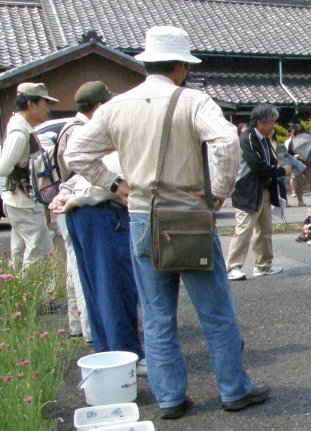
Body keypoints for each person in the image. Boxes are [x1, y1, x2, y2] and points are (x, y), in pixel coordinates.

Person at [65, 26, 267, 419]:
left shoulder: (116, 106)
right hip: (189, 216)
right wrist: (218, 191)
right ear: (180, 67)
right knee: (215, 312)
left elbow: (76, 153)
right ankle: (233, 390)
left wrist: (115, 185)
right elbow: (226, 142)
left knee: (157, 317)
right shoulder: (193, 100)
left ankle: (170, 398)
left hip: (142, 216)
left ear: (147, 63)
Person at [52, 81, 146, 365]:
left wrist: (67, 193)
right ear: (102, 106)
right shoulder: (108, 131)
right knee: (114, 289)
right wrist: (77, 196)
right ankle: (126, 356)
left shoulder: (77, 129)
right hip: (101, 214)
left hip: (81, 213)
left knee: (96, 290)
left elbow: (79, 173)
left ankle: (107, 355)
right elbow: (110, 180)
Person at [225, 104, 290, 281]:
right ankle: (232, 267)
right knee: (244, 230)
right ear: (260, 122)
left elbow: (270, 163)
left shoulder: (264, 139)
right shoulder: (247, 138)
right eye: (272, 122)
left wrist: (281, 167)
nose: (274, 126)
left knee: (264, 230)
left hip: (264, 189)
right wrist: (281, 171)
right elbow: (257, 166)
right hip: (248, 190)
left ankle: (263, 265)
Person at [0, 82, 57, 267]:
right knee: (39, 253)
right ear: (31, 104)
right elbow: (3, 168)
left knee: (21, 251)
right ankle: (32, 286)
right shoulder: (19, 133)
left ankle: (17, 283)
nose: (48, 109)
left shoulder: (21, 127)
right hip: (24, 203)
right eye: (45, 103)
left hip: (21, 202)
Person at [285, 123, 311, 206]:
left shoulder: (308, 140)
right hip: (297, 163)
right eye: (298, 133)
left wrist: (310, 158)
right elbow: (289, 154)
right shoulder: (292, 142)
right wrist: (295, 156)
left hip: (306, 163)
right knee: (299, 183)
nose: (300, 134)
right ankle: (300, 201)